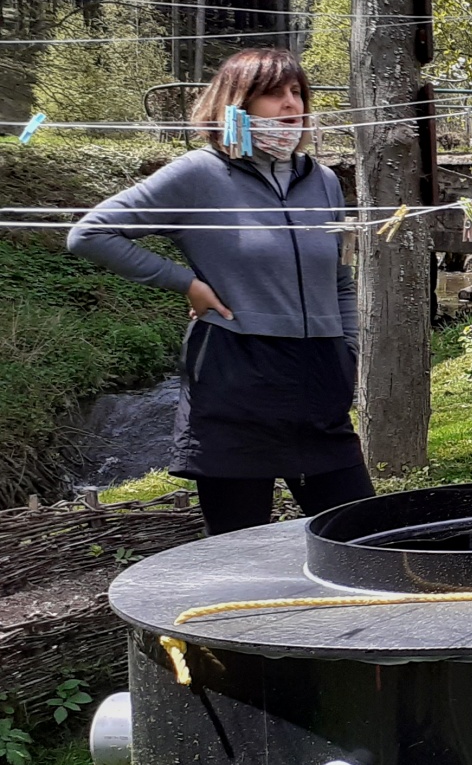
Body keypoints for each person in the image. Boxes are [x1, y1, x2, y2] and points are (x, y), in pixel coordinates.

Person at [68, 48, 372, 535]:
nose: (291, 104)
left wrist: (347, 349)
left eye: (297, 92)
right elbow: (90, 233)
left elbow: (337, 276)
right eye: (273, 94)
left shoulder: (323, 181)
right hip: (234, 374)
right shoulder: (198, 174)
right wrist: (187, 283)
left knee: (359, 533)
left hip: (318, 376)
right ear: (236, 105)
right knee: (236, 547)